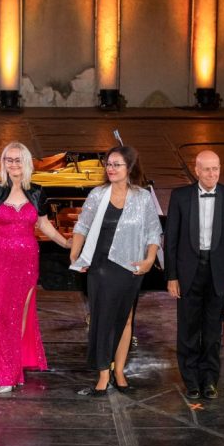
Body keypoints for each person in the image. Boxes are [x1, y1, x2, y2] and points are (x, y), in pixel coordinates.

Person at [0, 142, 71, 393]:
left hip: (26, 262)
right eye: (8, 160)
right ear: (3, 163)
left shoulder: (37, 192)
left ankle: (12, 369)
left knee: (19, 314)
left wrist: (66, 243)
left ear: (26, 163)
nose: (13, 164)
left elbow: (44, 226)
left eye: (17, 160)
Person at [69, 145, 162, 396]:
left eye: (116, 164)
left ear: (129, 167)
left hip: (130, 267)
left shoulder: (142, 197)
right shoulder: (97, 194)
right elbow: (82, 226)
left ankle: (119, 370)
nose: (110, 169)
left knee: (126, 318)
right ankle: (102, 373)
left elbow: (153, 232)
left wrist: (149, 259)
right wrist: (75, 255)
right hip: (100, 267)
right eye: (108, 164)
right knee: (102, 318)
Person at [164, 150, 224, 400]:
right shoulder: (180, 196)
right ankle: (191, 381)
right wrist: (171, 276)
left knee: (212, 331)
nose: (212, 174)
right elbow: (171, 240)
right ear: (196, 170)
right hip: (188, 271)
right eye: (207, 169)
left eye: (216, 168)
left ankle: (209, 380)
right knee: (187, 329)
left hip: (218, 272)